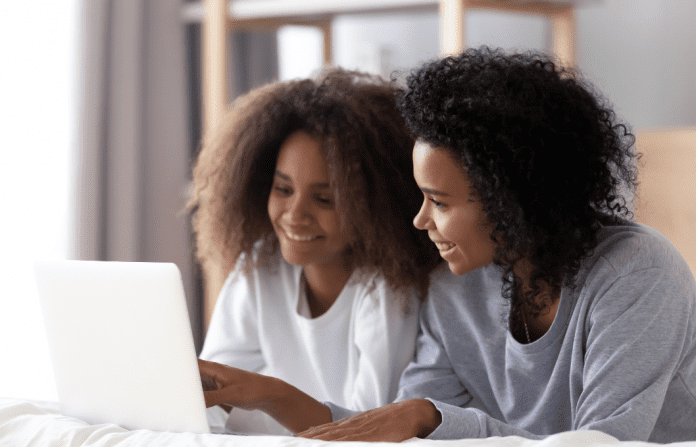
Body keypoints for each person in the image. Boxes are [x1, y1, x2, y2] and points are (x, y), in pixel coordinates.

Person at [295, 47, 696, 442]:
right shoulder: (453, 289)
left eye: (438, 201)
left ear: (511, 200)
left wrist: (433, 419)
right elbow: (405, 429)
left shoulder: (638, 274)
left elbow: (604, 442)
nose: (420, 221)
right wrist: (272, 396)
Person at [187, 68, 441, 435]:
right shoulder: (261, 266)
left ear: (373, 205)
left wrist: (270, 396)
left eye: (325, 199)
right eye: (283, 189)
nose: (295, 216)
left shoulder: (387, 289)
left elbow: (369, 429)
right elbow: (209, 407)